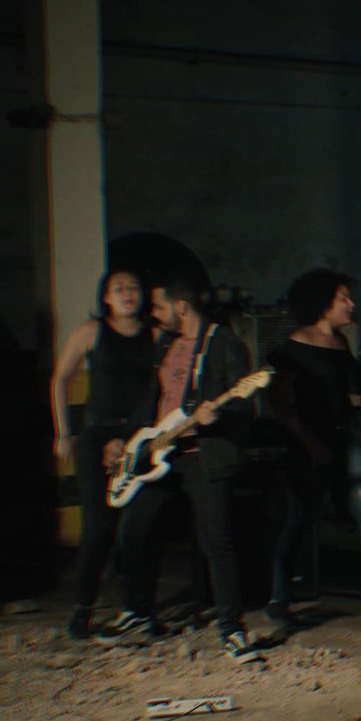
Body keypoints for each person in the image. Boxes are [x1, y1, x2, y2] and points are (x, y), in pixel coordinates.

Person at [95, 277, 264, 664]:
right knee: (134, 530)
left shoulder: (223, 343)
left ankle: (233, 630)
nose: (154, 314)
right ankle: (138, 614)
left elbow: (244, 403)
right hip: (159, 454)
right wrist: (125, 439)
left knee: (216, 542)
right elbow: (152, 400)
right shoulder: (166, 344)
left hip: (203, 454)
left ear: (181, 307)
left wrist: (216, 414)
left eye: (159, 306)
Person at [266, 269, 361, 625]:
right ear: (323, 303)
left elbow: (350, 386)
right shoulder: (296, 345)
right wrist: (310, 442)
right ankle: (279, 595)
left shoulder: (340, 341)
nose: (350, 304)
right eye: (343, 298)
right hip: (310, 441)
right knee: (298, 517)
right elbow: (280, 403)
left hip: (347, 437)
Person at [49, 270, 156, 640]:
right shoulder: (91, 331)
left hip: (140, 435)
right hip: (96, 436)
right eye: (119, 288)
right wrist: (64, 431)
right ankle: (83, 609)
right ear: (106, 297)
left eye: (133, 287)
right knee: (98, 528)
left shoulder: (155, 334)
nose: (128, 293)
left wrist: (134, 438)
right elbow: (60, 378)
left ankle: (139, 609)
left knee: (137, 528)